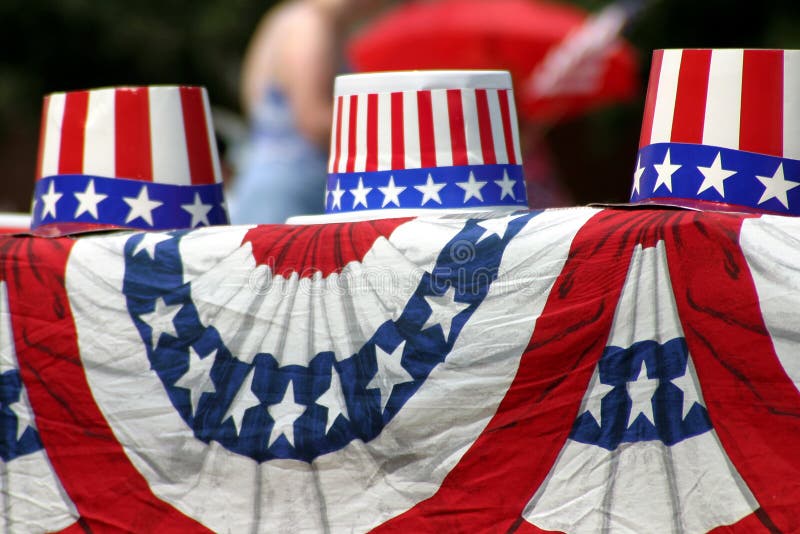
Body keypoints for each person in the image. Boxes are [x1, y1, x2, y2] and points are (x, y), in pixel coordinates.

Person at [228, 0, 385, 224]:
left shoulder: (297, 18)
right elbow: (314, 119)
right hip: (287, 194)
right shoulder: (312, 25)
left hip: (278, 188)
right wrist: (393, 139)